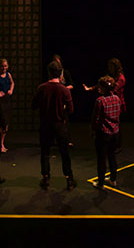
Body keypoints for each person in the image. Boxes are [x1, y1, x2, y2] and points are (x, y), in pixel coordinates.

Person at [32, 60, 77, 191]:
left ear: (48, 72)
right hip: (59, 125)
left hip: (45, 124)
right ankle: (69, 179)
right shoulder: (64, 90)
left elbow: (33, 105)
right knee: (64, 153)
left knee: (45, 152)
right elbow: (71, 109)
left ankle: (46, 178)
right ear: (60, 73)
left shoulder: (42, 88)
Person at [90, 75, 121, 190]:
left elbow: (96, 119)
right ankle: (113, 179)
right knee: (112, 156)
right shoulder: (117, 98)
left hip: (103, 134)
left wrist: (93, 131)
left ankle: (101, 183)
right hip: (115, 133)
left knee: (101, 159)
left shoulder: (100, 101)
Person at [52, 54, 76, 147]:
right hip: (55, 99)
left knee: (65, 119)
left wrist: (64, 89)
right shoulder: (51, 74)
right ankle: (55, 139)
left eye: (58, 62)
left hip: (64, 98)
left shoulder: (65, 72)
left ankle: (67, 139)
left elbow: (72, 85)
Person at [0, 58, 14, 153]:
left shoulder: (8, 75)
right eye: (2, 66)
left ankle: (2, 143)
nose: (4, 68)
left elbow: (12, 83)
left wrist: (11, 90)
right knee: (0, 122)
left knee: (6, 122)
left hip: (6, 100)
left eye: (5, 66)